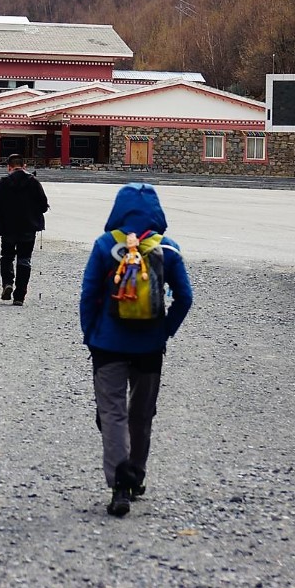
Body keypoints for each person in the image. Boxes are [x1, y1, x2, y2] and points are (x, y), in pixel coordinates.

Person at [79, 182, 193, 518]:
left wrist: (91, 334)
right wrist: (164, 332)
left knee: (113, 413)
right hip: (149, 347)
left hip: (107, 344)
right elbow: (185, 298)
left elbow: (87, 295)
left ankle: (120, 486)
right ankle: (137, 474)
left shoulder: (105, 246)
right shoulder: (167, 249)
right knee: (141, 414)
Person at [0, 153, 48, 306]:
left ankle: (8, 283)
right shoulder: (34, 182)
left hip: (8, 227)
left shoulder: (3, 183)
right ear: (24, 166)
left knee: (7, 256)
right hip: (28, 227)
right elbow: (43, 205)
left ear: (9, 167)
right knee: (24, 260)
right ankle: (20, 295)